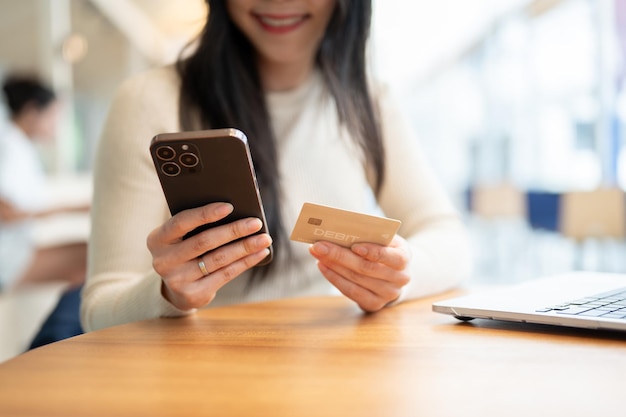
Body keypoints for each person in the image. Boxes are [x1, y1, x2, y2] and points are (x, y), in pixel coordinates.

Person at [81, 0, 473, 332]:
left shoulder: (367, 99)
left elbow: (450, 240)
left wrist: (400, 275)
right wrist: (167, 293)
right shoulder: (149, 100)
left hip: (339, 360)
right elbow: (98, 309)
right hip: (208, 369)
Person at [0, 74, 88, 291]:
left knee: (87, 259)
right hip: (8, 258)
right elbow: (5, 212)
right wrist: (69, 209)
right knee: (90, 257)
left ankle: (66, 324)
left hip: (16, 250)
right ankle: (61, 326)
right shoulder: (9, 147)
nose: (57, 125)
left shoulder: (20, 146)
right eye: (53, 115)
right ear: (32, 112)